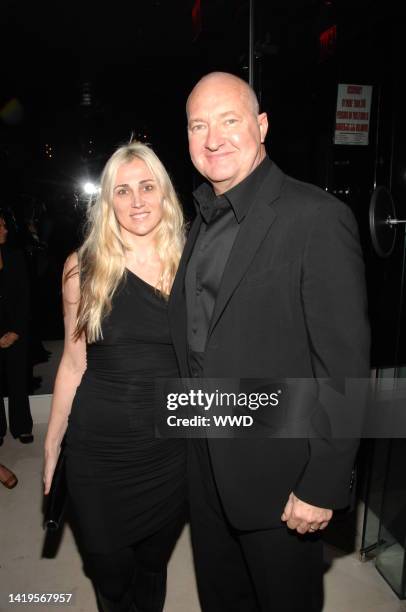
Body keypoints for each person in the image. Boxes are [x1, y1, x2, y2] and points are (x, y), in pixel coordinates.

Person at [168, 72, 370, 611]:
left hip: (283, 485)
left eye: (229, 120)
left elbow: (345, 370)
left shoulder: (317, 218)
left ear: (261, 126)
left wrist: (323, 485)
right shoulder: (197, 223)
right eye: (198, 125)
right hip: (207, 477)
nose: (213, 139)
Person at [43, 142, 187, 612]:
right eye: (122, 190)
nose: (137, 200)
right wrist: (52, 443)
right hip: (98, 452)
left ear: (164, 193)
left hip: (169, 454)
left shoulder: (191, 263)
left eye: (147, 187)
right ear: (108, 201)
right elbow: (72, 362)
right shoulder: (82, 268)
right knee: (110, 571)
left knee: (151, 568)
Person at [0, 214, 33, 446]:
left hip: (15, 330)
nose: (5, 230)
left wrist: (16, 331)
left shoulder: (15, 256)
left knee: (18, 379)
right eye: (0, 226)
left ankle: (22, 426)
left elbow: (26, 298)